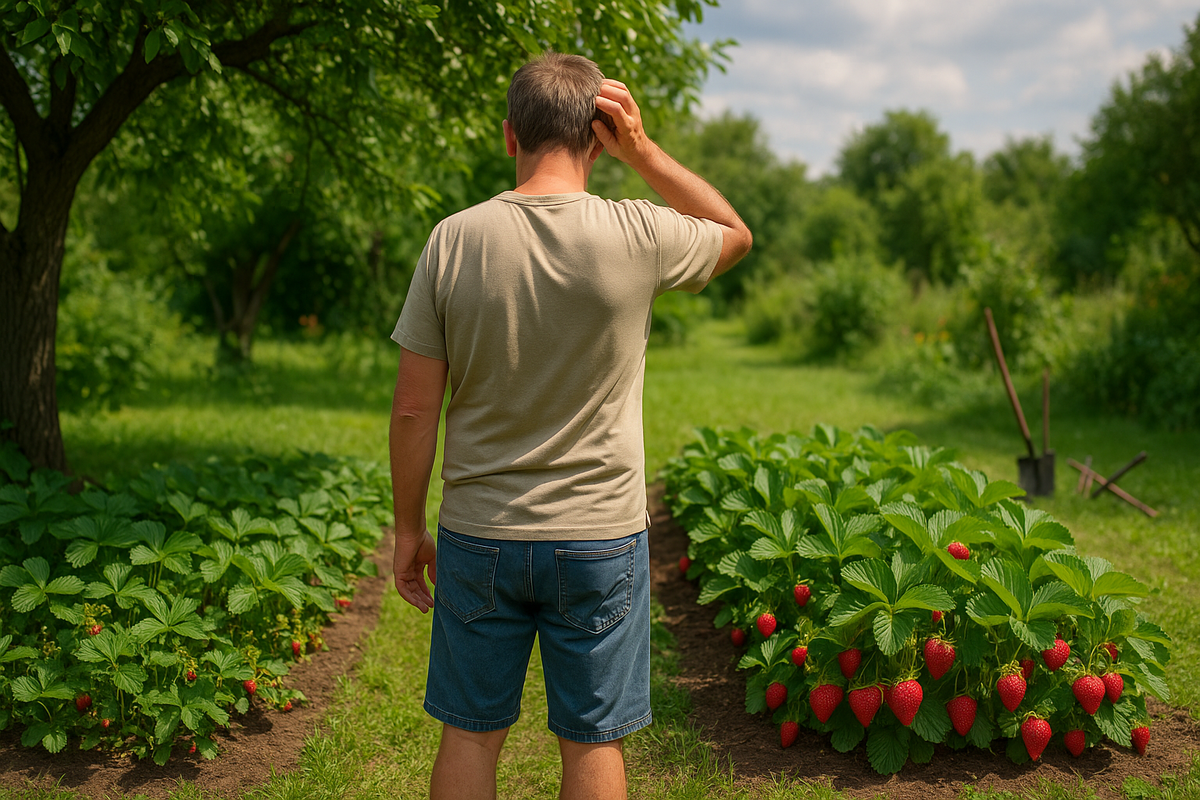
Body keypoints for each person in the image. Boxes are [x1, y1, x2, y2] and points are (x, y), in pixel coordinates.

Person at [388, 52, 751, 800]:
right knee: (592, 742)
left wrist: (405, 529)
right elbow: (733, 233)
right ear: (598, 136)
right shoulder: (640, 232)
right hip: (599, 538)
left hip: (480, 534)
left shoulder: (452, 239)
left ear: (508, 134)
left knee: (469, 733)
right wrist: (645, 153)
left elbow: (415, 407)